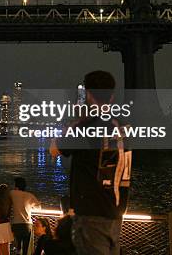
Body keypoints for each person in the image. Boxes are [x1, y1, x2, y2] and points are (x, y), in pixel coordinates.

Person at [50, 71, 132, 255]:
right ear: (111, 96)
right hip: (116, 212)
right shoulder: (122, 126)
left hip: (91, 214)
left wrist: (75, 123)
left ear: (87, 94)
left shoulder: (85, 127)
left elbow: (54, 150)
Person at [9, 177, 40, 255]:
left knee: (17, 247)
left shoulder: (12, 193)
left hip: (16, 224)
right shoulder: (29, 195)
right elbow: (38, 208)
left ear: (16, 186)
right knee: (26, 248)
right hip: (27, 224)